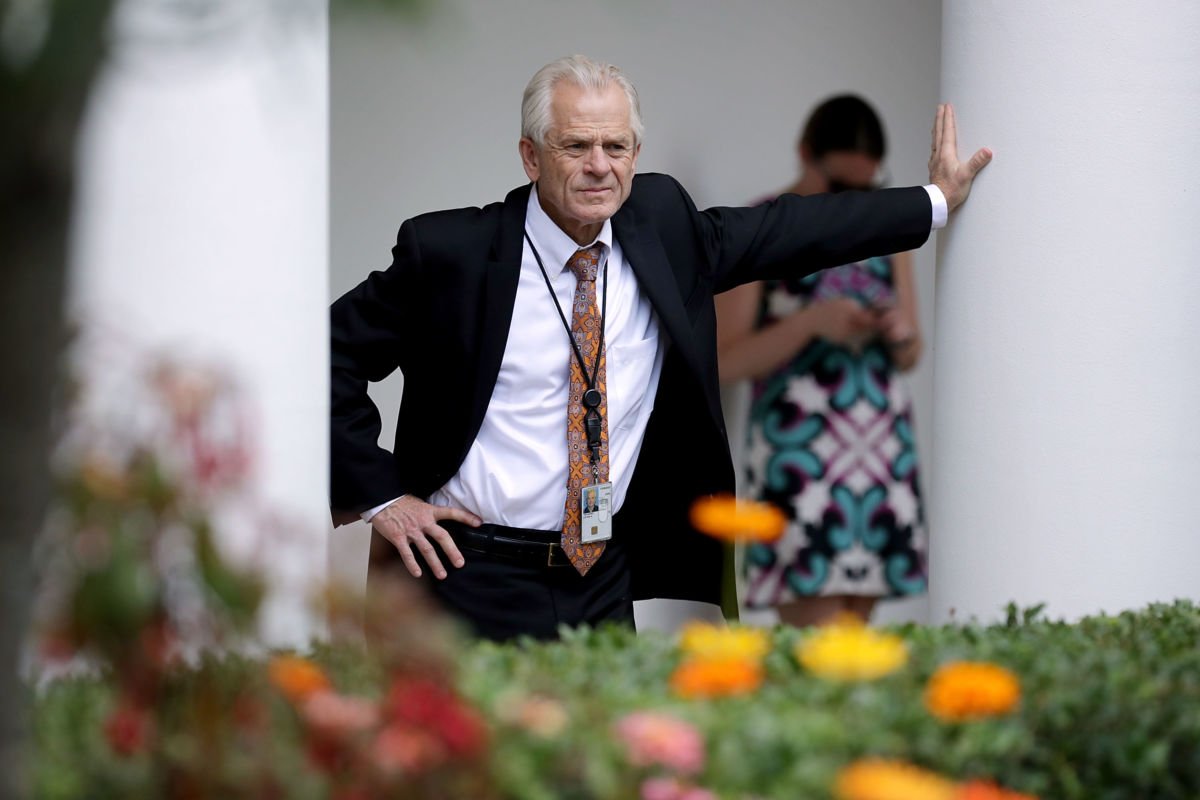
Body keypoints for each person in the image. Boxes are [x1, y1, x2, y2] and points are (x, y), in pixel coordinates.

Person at [330, 55, 991, 641]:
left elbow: (788, 229)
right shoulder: (452, 253)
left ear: (636, 154)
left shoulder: (663, 228)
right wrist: (384, 497)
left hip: (600, 574)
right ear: (531, 157)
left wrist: (933, 199)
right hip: (464, 573)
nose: (599, 167)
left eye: (616, 146)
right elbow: (325, 356)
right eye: (576, 146)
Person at [715, 95, 929, 627]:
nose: (855, 202)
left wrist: (899, 333)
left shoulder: (888, 235)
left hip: (881, 451)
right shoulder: (761, 226)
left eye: (867, 189)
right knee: (818, 643)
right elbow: (724, 360)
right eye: (840, 187)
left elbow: (912, 354)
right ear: (805, 154)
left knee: (858, 640)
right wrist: (811, 323)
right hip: (800, 456)